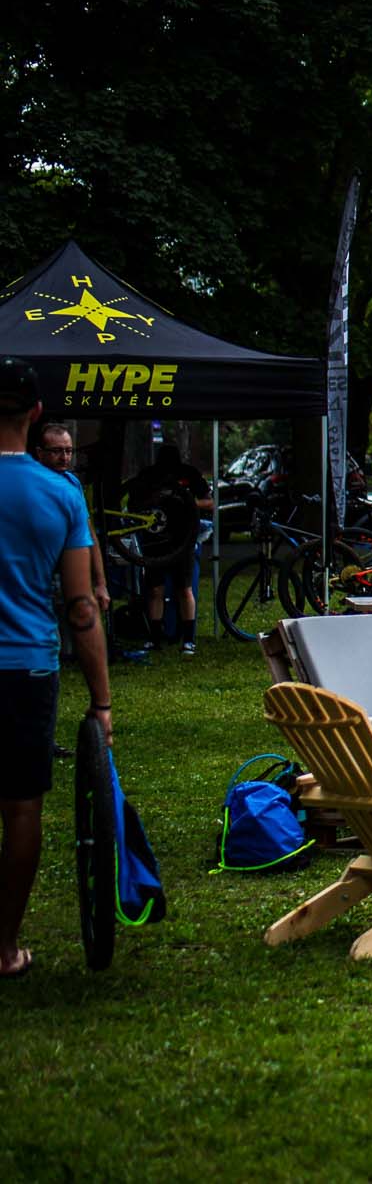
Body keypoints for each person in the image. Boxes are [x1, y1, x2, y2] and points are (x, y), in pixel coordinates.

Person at [0, 358, 113, 979]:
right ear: (36, 414)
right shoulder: (61, 494)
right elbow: (81, 607)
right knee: (21, 810)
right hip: (25, 668)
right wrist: (101, 701)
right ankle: (4, 946)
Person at [125, 443, 212, 655]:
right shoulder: (148, 476)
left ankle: (188, 639)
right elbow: (133, 504)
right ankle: (155, 638)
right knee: (155, 589)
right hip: (155, 540)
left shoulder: (189, 474)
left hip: (183, 540)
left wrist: (188, 502)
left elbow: (209, 502)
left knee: (184, 589)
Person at [32, 421, 112, 621]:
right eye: (57, 451)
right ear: (40, 453)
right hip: (37, 579)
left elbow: (88, 533)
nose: (64, 457)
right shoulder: (28, 483)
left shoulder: (72, 483)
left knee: (78, 632)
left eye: (68, 451)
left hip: (71, 575)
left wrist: (100, 583)